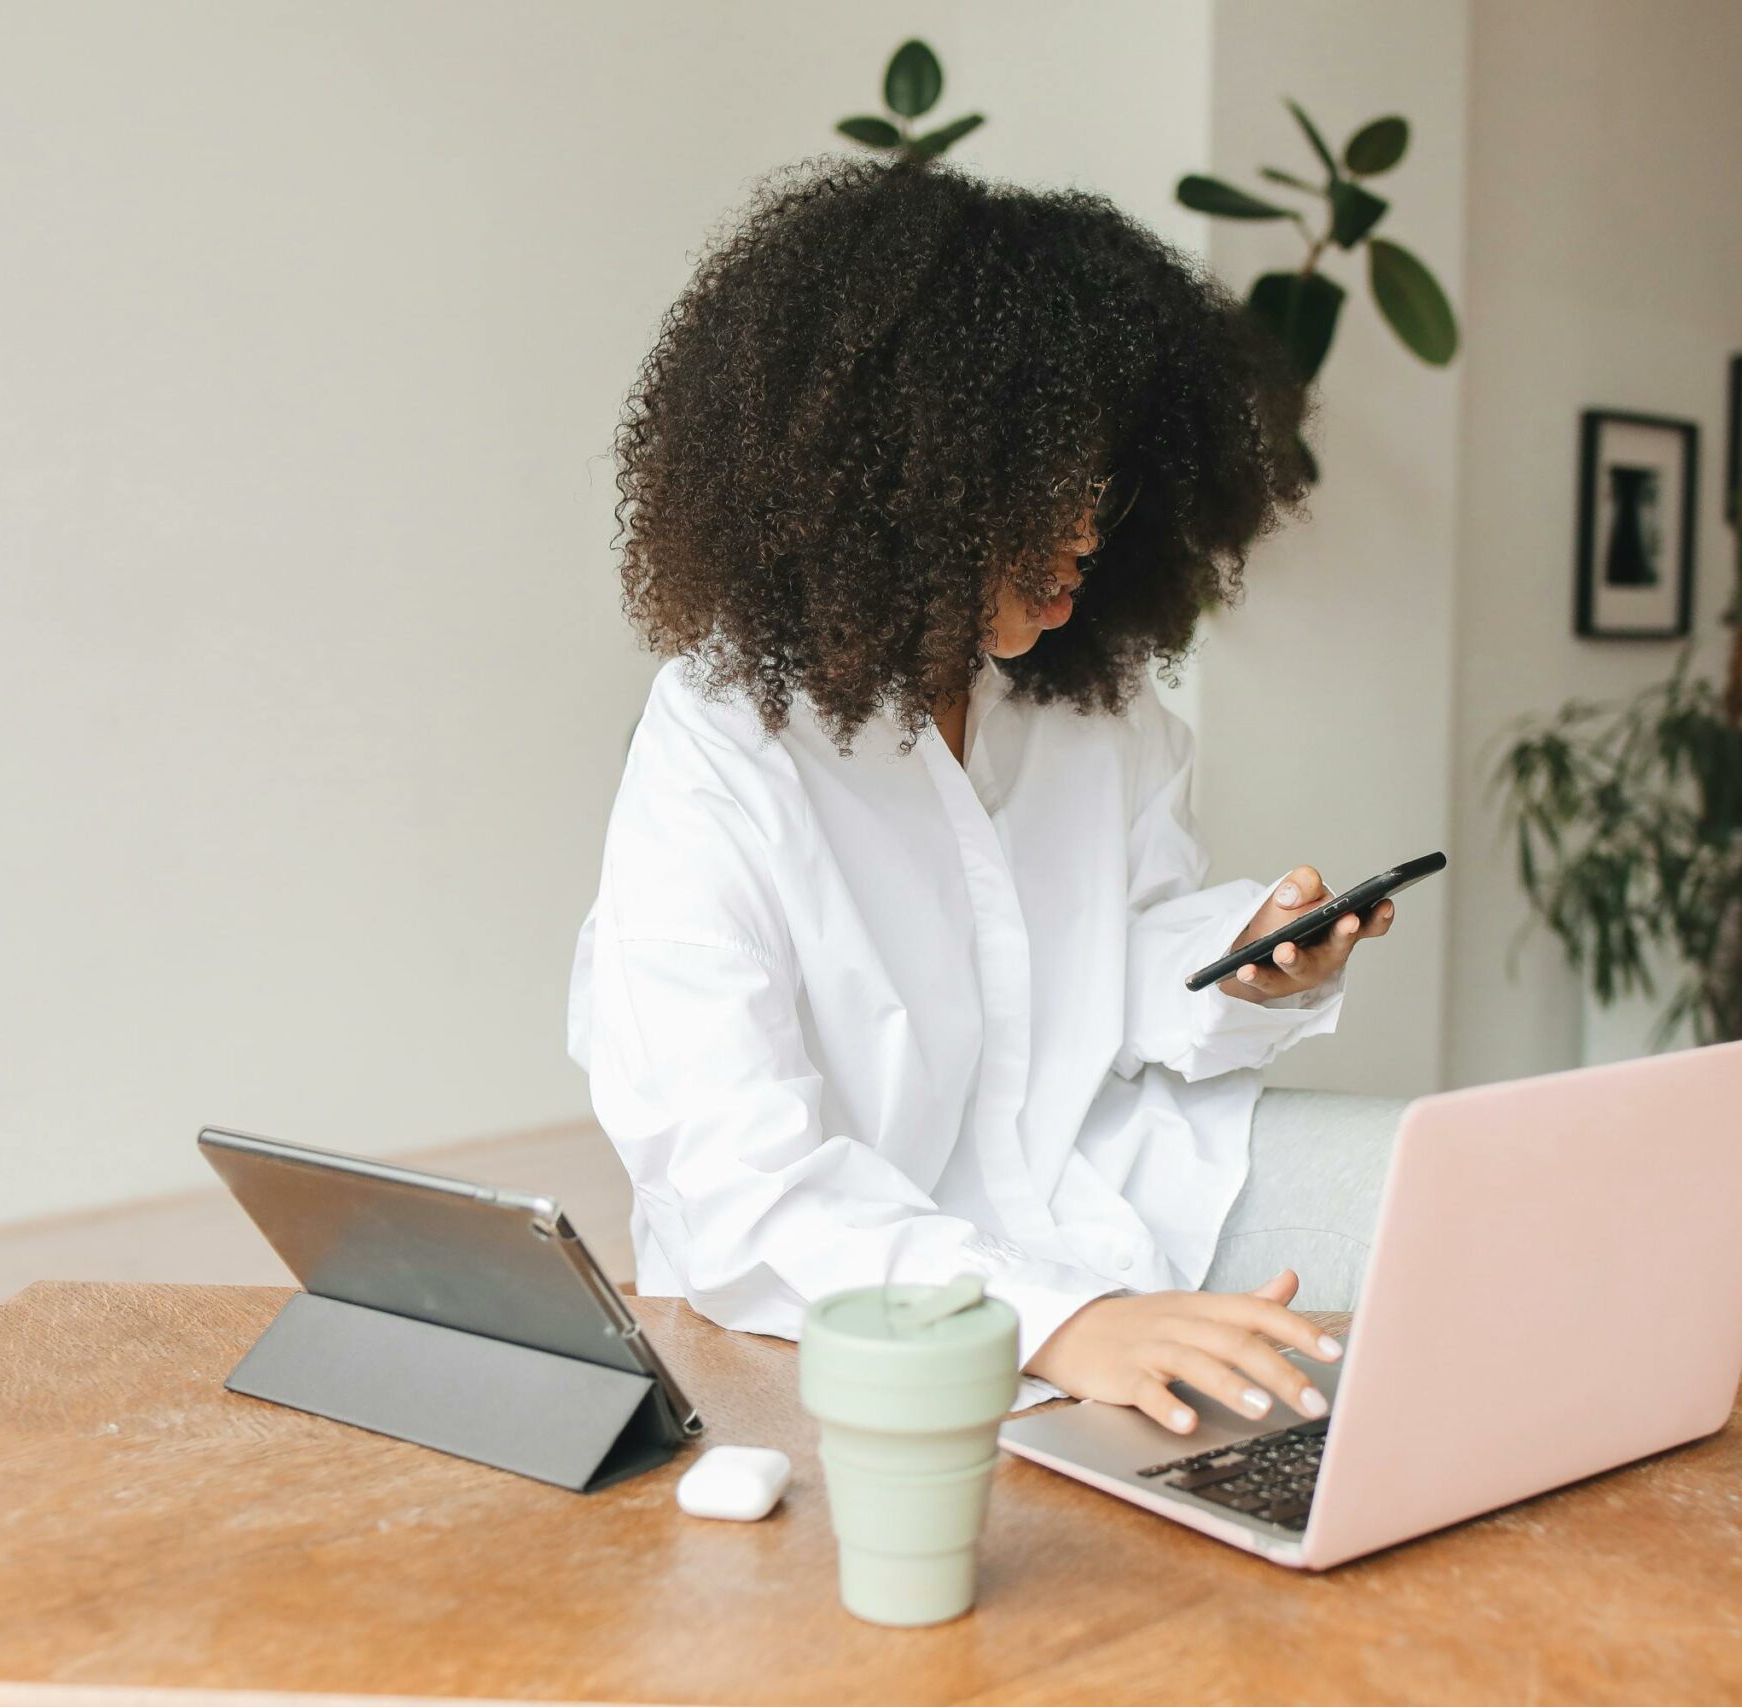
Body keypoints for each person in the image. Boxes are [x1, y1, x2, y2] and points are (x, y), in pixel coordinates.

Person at [568, 157, 1402, 1436]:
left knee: (1473, 1202)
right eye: (1037, 489)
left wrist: (1237, 969)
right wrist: (1061, 1324)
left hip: (1104, 1195)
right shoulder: (724, 743)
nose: (1083, 533)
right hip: (848, 1299)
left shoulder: (1097, 712)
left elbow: (1105, 973)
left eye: (1107, 485)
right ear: (897, 479)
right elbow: (731, 1181)